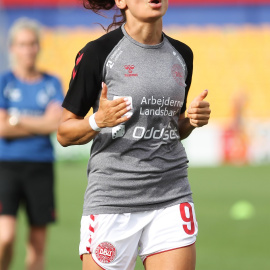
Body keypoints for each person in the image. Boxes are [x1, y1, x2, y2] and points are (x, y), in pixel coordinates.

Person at [57, 0, 211, 269]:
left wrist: (192, 121)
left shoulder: (182, 54)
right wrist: (97, 120)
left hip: (171, 195)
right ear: (121, 1)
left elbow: (173, 129)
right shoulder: (98, 53)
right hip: (113, 199)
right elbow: (64, 132)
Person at [0, 18, 63, 270]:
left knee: (37, 246)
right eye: (22, 44)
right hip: (6, 167)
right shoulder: (4, 82)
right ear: (12, 48)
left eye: (32, 44)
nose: (28, 49)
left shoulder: (51, 83)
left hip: (41, 166)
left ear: (38, 47)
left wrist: (15, 119)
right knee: (5, 238)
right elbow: (1, 127)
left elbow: (55, 124)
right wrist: (39, 122)